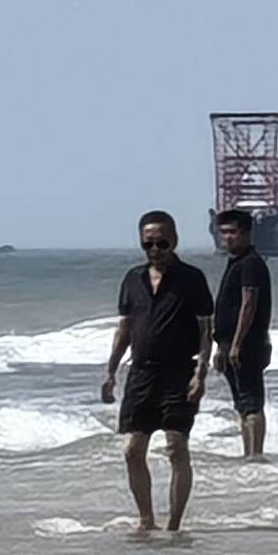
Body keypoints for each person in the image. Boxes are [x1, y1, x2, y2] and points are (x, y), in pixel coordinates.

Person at [101, 209, 213, 538]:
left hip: (180, 373)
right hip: (141, 374)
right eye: (148, 244)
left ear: (174, 241)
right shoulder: (132, 279)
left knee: (176, 447)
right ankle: (146, 519)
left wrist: (201, 373)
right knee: (133, 450)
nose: (155, 250)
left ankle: (174, 525)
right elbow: (125, 327)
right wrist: (111, 371)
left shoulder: (192, 278)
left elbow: (206, 331)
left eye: (162, 243)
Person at [207, 208, 278, 460]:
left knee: (252, 403)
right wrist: (221, 347)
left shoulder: (251, 263)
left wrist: (237, 344)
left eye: (232, 232)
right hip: (229, 344)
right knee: (241, 405)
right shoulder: (235, 263)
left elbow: (248, 304)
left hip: (247, 345)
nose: (226, 238)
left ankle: (256, 455)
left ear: (246, 233)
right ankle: (248, 455)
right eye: (222, 232)